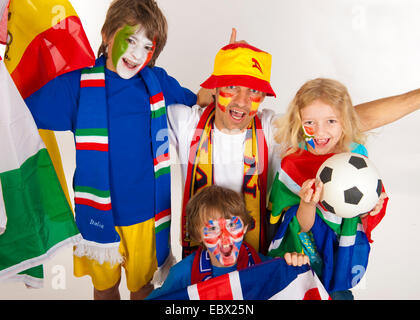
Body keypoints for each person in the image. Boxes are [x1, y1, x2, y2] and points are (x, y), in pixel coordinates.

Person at [168, 32, 418, 259]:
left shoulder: (267, 127)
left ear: (263, 97)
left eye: (253, 91)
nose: (242, 101)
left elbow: (346, 120)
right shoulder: (186, 121)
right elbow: (135, 108)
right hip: (199, 261)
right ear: (215, 86)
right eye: (232, 86)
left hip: (259, 261)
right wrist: (203, 90)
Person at [24, 0, 205, 300]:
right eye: (130, 39)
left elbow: (197, 100)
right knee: (104, 288)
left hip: (146, 216)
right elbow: (21, 110)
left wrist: (228, 74)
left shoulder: (157, 82)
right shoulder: (76, 86)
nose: (137, 53)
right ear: (107, 34)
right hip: (96, 216)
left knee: (144, 288)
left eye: (148, 46)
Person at [267, 78, 388, 300]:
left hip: (340, 258)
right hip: (301, 258)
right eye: (310, 122)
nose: (320, 132)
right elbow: (298, 226)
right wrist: (307, 204)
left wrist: (372, 205)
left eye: (331, 121)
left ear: (346, 121)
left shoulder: (357, 157)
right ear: (299, 122)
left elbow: (360, 215)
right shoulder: (293, 162)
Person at [146, 185, 309, 299]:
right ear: (198, 235)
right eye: (212, 229)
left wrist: (295, 263)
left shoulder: (264, 266)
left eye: (232, 225)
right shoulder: (182, 274)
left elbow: (291, 283)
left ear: (245, 227)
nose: (225, 237)